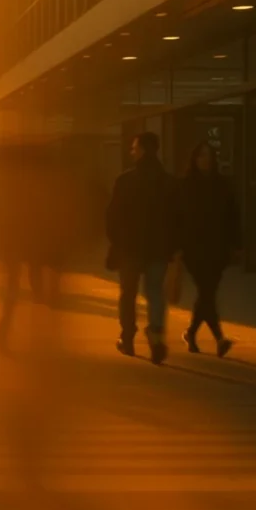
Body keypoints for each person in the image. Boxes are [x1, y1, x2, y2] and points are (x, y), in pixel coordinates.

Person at [106, 132, 175, 365]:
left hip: (130, 248)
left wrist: (115, 241)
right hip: (158, 248)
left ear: (144, 150)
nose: (131, 151)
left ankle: (127, 338)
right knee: (155, 292)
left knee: (128, 294)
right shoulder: (167, 182)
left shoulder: (125, 181)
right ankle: (156, 336)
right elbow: (175, 217)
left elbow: (113, 216)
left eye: (134, 148)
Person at [176, 141, 239, 357]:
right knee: (206, 290)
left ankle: (192, 333)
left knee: (207, 292)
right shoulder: (185, 185)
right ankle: (219, 338)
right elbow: (177, 218)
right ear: (194, 159)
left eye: (208, 155)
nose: (205, 159)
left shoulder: (222, 185)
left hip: (217, 247)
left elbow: (232, 217)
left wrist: (235, 243)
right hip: (193, 248)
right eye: (201, 155)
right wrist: (177, 246)